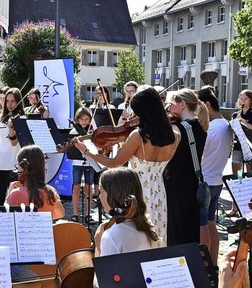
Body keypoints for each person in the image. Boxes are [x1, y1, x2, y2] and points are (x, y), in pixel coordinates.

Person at [73, 86, 180, 246]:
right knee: (157, 237)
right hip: (159, 192)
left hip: (136, 190)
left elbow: (114, 163)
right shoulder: (176, 135)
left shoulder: (138, 135)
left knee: (135, 240)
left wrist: (87, 151)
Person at [165, 88, 208, 246]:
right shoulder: (201, 125)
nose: (169, 108)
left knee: (175, 231)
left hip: (177, 184)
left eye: (171, 104)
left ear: (182, 104)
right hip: (194, 182)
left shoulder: (177, 128)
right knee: (191, 230)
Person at [197, 86, 233, 263]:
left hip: (206, 181)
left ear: (207, 105)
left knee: (203, 225)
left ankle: (205, 264)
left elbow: (199, 154)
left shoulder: (211, 128)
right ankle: (212, 263)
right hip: (216, 179)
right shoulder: (225, 125)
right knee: (211, 223)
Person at [226, 90, 252, 216]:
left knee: (250, 177)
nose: (243, 101)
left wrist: (246, 123)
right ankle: (235, 208)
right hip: (238, 146)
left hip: (251, 147)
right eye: (241, 98)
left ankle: (251, 207)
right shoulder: (235, 115)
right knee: (236, 178)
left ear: (251, 100)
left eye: (245, 99)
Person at [6, 145, 65, 220]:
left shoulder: (16, 194)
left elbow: (7, 218)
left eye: (18, 165)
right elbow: (60, 214)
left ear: (22, 167)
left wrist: (10, 192)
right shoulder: (51, 192)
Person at [0, 87, 24, 203]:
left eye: (13, 101)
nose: (9, 104)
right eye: (7, 101)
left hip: (12, 164)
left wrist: (11, 128)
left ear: (18, 101)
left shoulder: (22, 119)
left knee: (12, 199)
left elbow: (14, 143)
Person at [69, 107, 95, 224]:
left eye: (86, 119)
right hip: (77, 163)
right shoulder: (74, 132)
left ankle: (88, 214)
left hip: (90, 162)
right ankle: (75, 214)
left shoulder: (92, 132)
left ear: (90, 120)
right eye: (82, 119)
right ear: (78, 120)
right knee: (76, 188)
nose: (84, 122)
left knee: (89, 189)